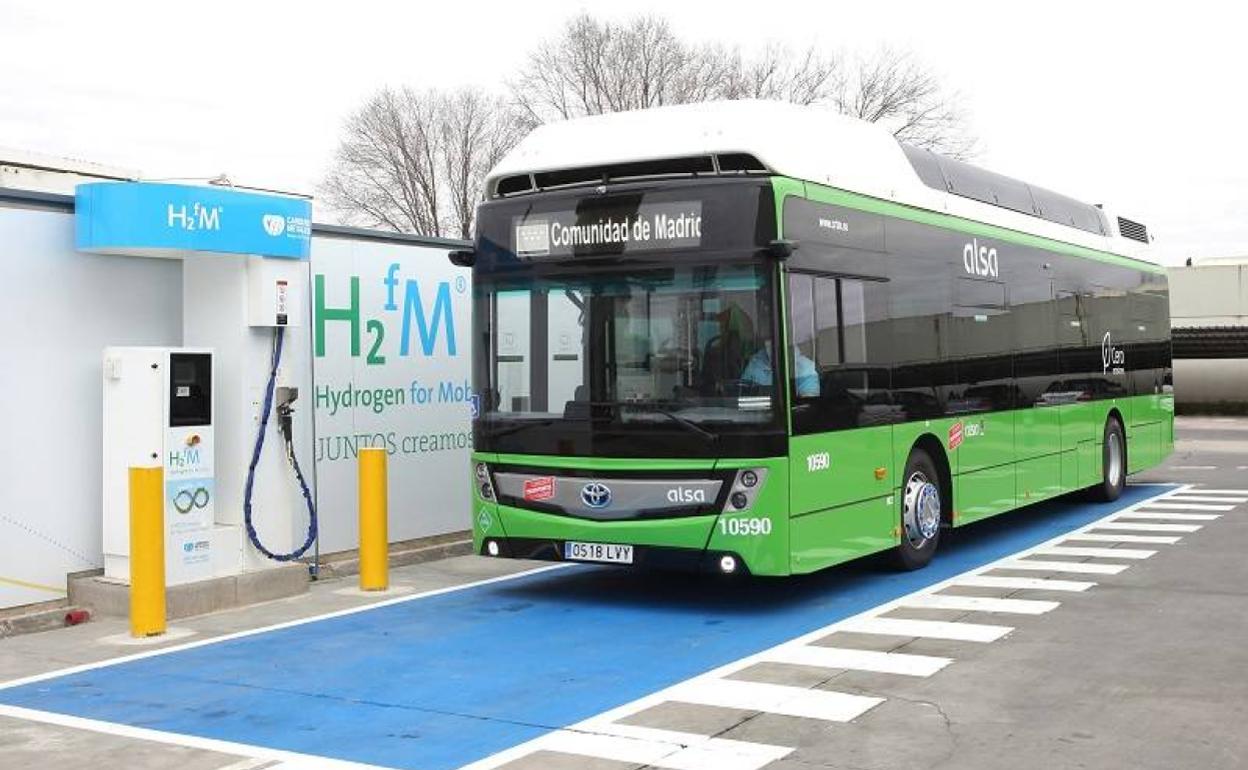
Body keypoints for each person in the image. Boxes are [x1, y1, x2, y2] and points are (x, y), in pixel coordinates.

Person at [742, 341, 820, 397]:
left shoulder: (806, 368)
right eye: (768, 340)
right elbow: (743, 393)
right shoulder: (755, 363)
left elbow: (807, 404)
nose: (774, 345)